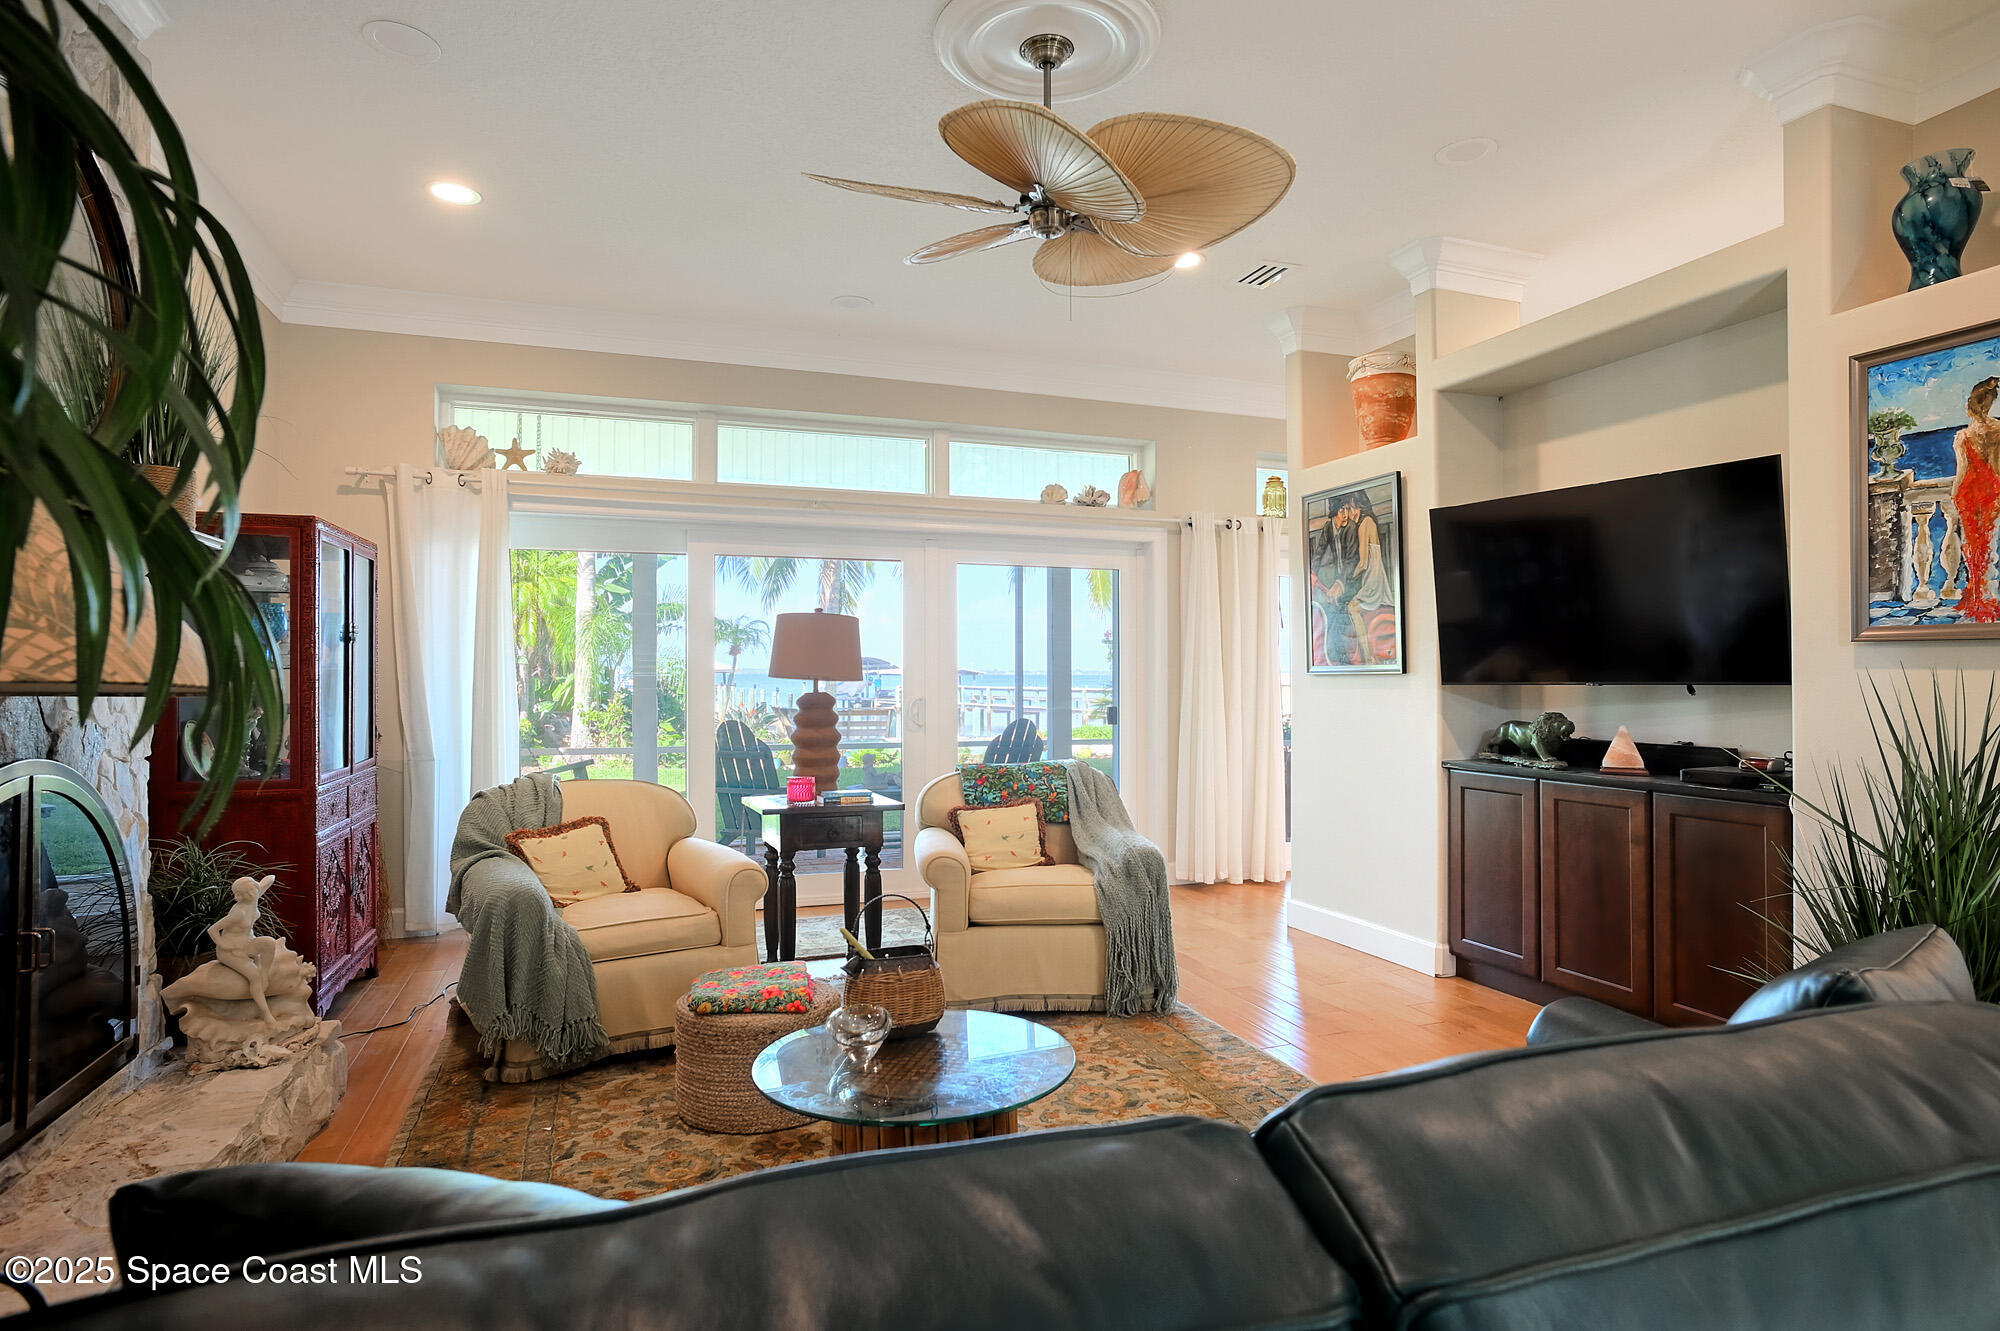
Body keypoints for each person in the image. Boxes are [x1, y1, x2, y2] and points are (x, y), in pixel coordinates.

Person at [1951, 376, 2000, 623]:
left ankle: (1976, 594)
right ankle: (1981, 594)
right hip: (1990, 490)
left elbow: (1961, 472)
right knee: (1986, 543)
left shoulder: (1962, 436)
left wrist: (1954, 494)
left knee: (1973, 543)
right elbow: (1997, 467)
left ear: (1971, 405)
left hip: (1969, 493)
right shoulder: (1998, 430)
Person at [208, 874, 282, 1025]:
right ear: (242, 896)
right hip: (231, 950)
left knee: (269, 943)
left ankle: (265, 974)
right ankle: (266, 1014)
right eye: (250, 892)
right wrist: (224, 945)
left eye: (255, 891)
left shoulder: (253, 897)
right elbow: (213, 930)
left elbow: (270, 878)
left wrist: (258, 886)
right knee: (254, 976)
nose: (255, 894)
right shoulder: (238, 913)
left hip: (246, 943)